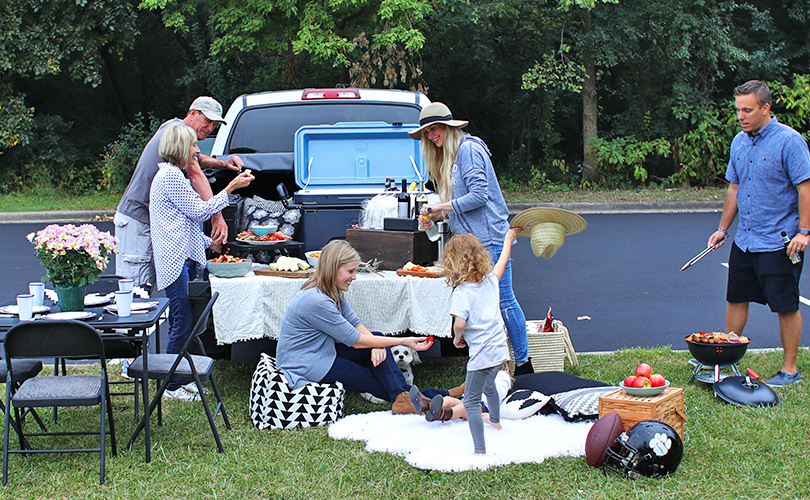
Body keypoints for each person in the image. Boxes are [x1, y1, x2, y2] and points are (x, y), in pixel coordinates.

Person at [409, 102, 533, 376]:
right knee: (479, 305)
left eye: (434, 129)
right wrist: (434, 217)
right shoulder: (449, 158)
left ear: (450, 127)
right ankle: (493, 364)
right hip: (470, 245)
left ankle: (524, 365)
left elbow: (479, 197)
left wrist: (440, 206)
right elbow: (460, 209)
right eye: (426, 133)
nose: (431, 136)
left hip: (489, 239)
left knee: (503, 301)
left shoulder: (469, 150)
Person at [276, 239, 463, 414]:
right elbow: (356, 341)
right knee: (372, 379)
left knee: (377, 339)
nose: (354, 277)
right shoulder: (316, 301)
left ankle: (407, 400)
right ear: (333, 269)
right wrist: (405, 340)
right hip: (304, 364)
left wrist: (378, 344)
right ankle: (440, 396)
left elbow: (356, 324)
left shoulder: (331, 291)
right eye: (350, 272)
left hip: (320, 352)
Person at [708, 80, 810, 387]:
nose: (741, 115)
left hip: (780, 241)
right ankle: (726, 361)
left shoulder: (789, 141)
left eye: (747, 109)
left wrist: (804, 231)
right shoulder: (739, 141)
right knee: (736, 298)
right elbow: (734, 188)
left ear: (766, 108)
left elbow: (805, 187)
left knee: (786, 305)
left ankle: (789, 369)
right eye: (738, 109)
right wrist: (723, 228)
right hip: (746, 239)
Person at [150, 124, 255, 400]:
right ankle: (171, 385)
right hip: (175, 261)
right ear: (181, 148)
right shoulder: (170, 177)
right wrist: (231, 186)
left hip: (181, 257)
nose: (198, 151)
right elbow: (200, 211)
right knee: (182, 320)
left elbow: (182, 224)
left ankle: (180, 377)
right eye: (194, 146)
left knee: (183, 319)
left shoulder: (174, 177)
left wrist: (211, 244)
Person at [115, 96, 244, 290]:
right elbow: (195, 174)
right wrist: (217, 216)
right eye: (207, 121)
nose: (210, 128)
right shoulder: (175, 134)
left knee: (148, 287)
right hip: (138, 219)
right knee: (137, 289)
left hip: (152, 220)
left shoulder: (176, 131)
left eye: (214, 125)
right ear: (193, 113)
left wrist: (223, 163)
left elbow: (198, 158)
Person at [430, 229, 520, 455]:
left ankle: (480, 450)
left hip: (482, 355)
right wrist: (508, 240)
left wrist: (457, 337)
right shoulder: (490, 280)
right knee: (489, 386)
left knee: (470, 401)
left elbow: (460, 323)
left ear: (451, 263)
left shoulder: (462, 291)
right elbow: (501, 262)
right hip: (500, 349)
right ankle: (496, 421)